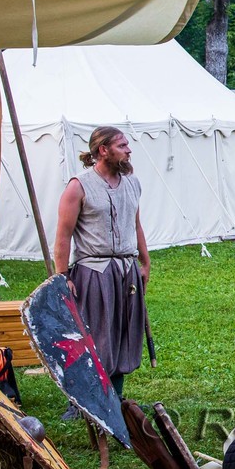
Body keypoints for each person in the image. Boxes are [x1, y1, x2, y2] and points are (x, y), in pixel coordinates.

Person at [53, 126, 150, 396]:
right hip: (93, 272)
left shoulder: (133, 183)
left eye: (127, 145)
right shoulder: (78, 186)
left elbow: (136, 224)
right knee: (94, 338)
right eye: (121, 146)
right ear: (103, 150)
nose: (128, 150)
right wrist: (62, 277)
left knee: (123, 336)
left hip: (126, 269)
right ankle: (82, 401)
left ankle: (114, 397)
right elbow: (63, 237)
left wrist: (144, 262)